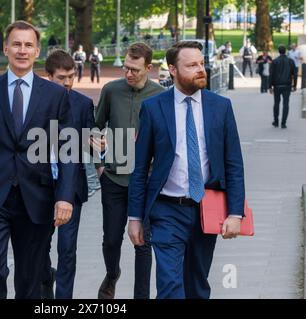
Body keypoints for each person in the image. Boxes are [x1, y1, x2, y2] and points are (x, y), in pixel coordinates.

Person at [0, 21, 76, 299]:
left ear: (37, 51)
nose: (22, 50)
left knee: (30, 279)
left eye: (28, 45)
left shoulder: (55, 95)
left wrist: (64, 197)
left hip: (37, 198)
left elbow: (67, 152)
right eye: (16, 44)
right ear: (5, 48)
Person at [128, 41, 245, 299]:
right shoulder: (154, 107)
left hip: (207, 208)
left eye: (201, 63)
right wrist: (134, 217)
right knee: (170, 287)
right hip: (166, 210)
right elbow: (138, 168)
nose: (200, 69)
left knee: (197, 285)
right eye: (191, 65)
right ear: (172, 70)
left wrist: (235, 213)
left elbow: (234, 164)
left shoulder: (221, 107)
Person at [95, 42, 165, 299]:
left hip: (145, 181)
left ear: (149, 68)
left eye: (135, 69)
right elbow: (94, 127)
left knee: (143, 242)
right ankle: (112, 274)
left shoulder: (160, 95)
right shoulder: (111, 91)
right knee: (111, 239)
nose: (129, 74)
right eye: (126, 68)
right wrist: (99, 164)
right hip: (113, 179)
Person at [41, 49, 96, 299]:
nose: (67, 82)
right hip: (38, 187)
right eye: (62, 77)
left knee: (67, 249)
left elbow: (91, 143)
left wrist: (99, 148)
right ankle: (44, 282)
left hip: (71, 187)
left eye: (71, 77)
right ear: (48, 76)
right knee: (38, 249)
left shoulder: (83, 104)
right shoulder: (35, 102)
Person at [269, 45, 296, 129]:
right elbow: (294, 74)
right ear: (285, 51)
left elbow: (271, 74)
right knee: (286, 104)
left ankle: (276, 121)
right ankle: (283, 123)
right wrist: (294, 85)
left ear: (279, 51)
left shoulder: (275, 61)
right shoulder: (290, 61)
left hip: (277, 85)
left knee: (276, 103)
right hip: (287, 85)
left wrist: (270, 86)